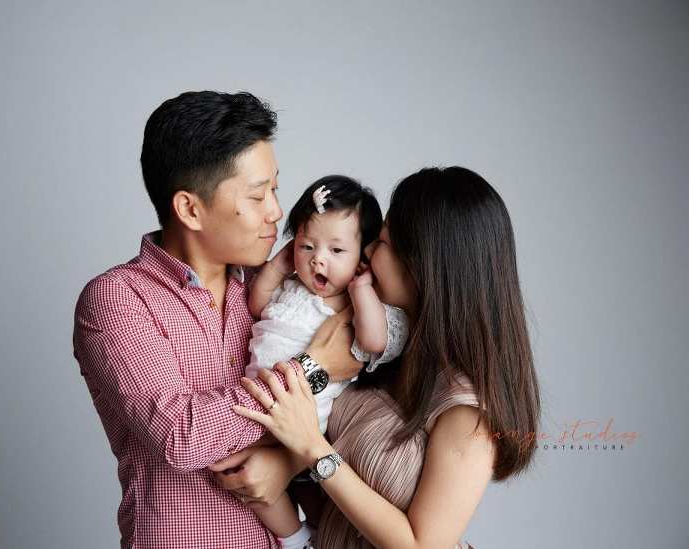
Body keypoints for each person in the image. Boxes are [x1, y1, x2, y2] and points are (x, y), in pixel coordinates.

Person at [72, 91, 363, 549]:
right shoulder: (117, 300)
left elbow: (355, 406)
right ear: (190, 209)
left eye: (275, 189)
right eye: (257, 195)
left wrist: (288, 462)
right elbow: (182, 436)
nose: (276, 211)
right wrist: (313, 368)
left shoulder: (278, 288)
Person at [226, 166, 541, 548]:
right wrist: (286, 463)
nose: (368, 251)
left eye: (383, 242)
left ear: (422, 267)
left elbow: (422, 545)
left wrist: (312, 451)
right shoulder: (392, 349)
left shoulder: (466, 413)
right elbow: (326, 422)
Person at [244, 175, 409, 548]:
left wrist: (361, 289)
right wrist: (278, 266)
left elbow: (373, 339)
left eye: (336, 250)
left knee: (301, 490)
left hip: (306, 421)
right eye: (306, 246)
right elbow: (256, 303)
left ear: (363, 257)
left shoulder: (355, 304)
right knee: (256, 484)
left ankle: (305, 538)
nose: (318, 259)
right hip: (260, 405)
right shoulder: (291, 286)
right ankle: (299, 538)